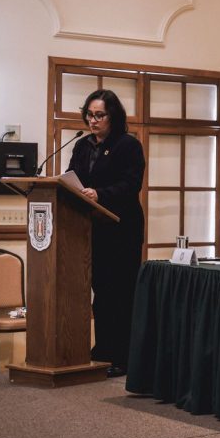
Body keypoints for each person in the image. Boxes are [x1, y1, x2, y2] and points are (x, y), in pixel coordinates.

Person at [67, 90, 144, 378]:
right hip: (91, 230)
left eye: (99, 115)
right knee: (100, 293)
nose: (93, 120)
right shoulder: (83, 145)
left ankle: (121, 356)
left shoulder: (128, 145)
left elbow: (130, 184)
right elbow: (72, 175)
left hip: (121, 228)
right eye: (89, 114)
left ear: (113, 117)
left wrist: (100, 193)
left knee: (120, 294)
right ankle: (102, 351)